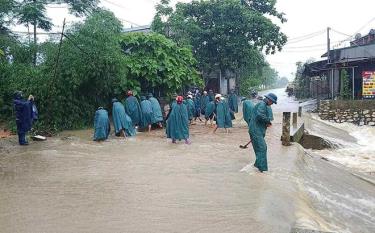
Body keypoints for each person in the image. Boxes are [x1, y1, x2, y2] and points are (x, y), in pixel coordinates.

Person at [249, 93, 277, 173]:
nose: (272, 104)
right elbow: (260, 115)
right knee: (262, 148)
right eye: (272, 102)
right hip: (256, 130)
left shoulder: (263, 105)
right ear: (269, 99)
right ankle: (262, 170)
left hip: (256, 130)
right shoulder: (262, 105)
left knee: (259, 149)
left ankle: (257, 165)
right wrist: (267, 121)